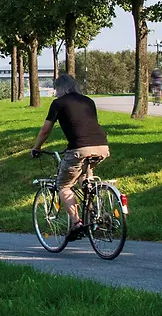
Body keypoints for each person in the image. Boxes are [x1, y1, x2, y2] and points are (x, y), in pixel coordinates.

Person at [29, 74, 110, 241]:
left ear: (60, 88)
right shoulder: (88, 101)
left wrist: (36, 148)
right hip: (102, 146)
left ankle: (77, 223)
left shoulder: (58, 103)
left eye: (56, 89)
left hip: (79, 149)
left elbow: (45, 130)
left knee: (64, 185)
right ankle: (95, 214)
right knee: (84, 178)